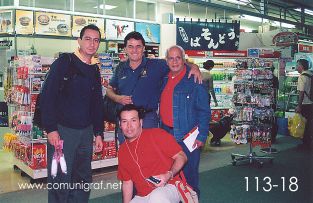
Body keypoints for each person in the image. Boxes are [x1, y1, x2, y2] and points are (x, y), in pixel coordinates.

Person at [41, 24, 104, 202]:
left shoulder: (94, 68)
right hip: (62, 132)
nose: (92, 44)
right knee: (60, 178)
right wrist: (51, 129)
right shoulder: (64, 62)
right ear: (79, 41)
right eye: (88, 39)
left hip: (85, 133)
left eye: (96, 40)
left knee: (83, 179)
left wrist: (98, 132)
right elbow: (48, 95)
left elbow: (97, 103)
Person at [106, 31, 202, 143]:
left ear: (143, 48)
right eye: (130, 47)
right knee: (128, 154)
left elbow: (177, 63)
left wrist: (194, 67)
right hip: (126, 120)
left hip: (148, 120)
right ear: (125, 49)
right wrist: (118, 98)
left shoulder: (156, 65)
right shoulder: (120, 68)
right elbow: (109, 90)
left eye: (138, 46)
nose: (134, 50)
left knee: (149, 155)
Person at [160, 45, 210, 196]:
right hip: (166, 135)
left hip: (188, 137)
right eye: (171, 58)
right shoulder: (164, 78)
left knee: (190, 178)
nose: (174, 61)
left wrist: (202, 135)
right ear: (166, 60)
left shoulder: (194, 79)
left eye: (178, 58)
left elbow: (204, 110)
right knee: (171, 176)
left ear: (184, 60)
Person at [117, 104, 187, 203]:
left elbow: (182, 156)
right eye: (124, 121)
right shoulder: (122, 151)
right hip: (143, 196)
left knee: (157, 197)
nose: (129, 126)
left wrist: (168, 175)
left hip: (169, 186)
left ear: (140, 122)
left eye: (133, 120)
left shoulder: (157, 134)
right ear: (120, 124)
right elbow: (127, 183)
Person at [295, 59, 313, 150]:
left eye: (297, 65)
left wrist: (299, 105)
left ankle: (305, 144)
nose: (296, 67)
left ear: (301, 66)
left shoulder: (302, 77)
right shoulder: (311, 74)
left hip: (305, 103)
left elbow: (301, 92)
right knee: (309, 124)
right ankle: (309, 143)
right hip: (311, 103)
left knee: (304, 124)